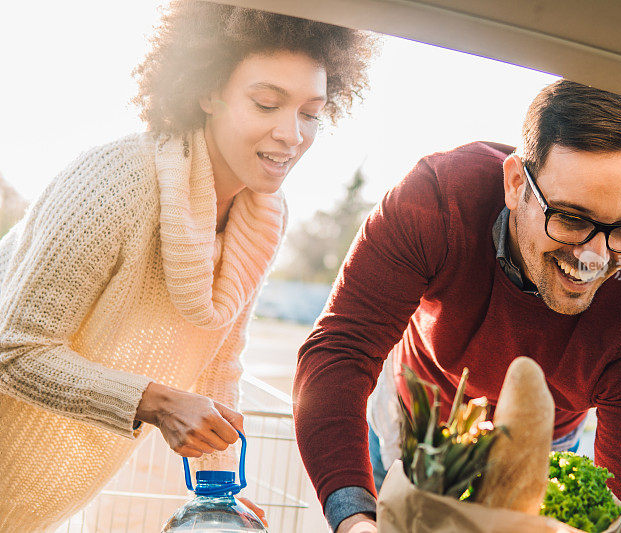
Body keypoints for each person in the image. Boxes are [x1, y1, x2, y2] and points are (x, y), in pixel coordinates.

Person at [0, 3, 375, 531]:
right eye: (267, 102)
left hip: (37, 505)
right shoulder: (116, 182)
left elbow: (218, 362)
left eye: (310, 113)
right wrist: (151, 400)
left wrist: (222, 490)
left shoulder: (263, 215)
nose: (293, 134)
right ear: (207, 91)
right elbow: (12, 350)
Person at [294, 80, 621, 533]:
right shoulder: (436, 201)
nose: (595, 256)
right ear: (516, 183)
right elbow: (340, 351)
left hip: (544, 448)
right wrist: (354, 519)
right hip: (418, 425)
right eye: (571, 218)